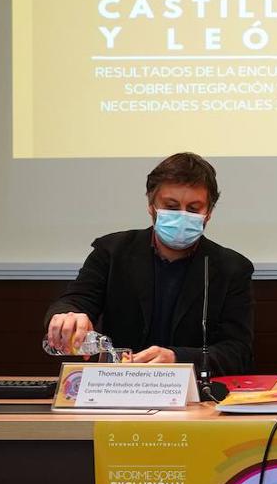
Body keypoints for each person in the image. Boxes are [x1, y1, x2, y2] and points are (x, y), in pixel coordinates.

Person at [43, 152, 254, 375]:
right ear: (151, 205)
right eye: (171, 206)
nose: (182, 216)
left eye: (193, 209)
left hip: (194, 397)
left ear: (208, 213)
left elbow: (238, 352)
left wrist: (177, 358)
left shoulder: (231, 268)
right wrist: (68, 316)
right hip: (119, 387)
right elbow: (74, 301)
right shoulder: (113, 252)